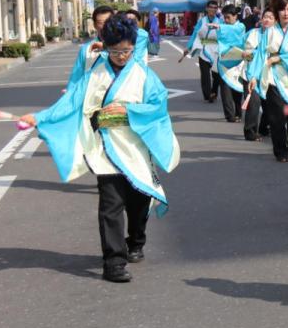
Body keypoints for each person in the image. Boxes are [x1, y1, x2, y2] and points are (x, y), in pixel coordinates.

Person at [19, 17, 179, 283]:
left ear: (133, 47)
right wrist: (39, 117)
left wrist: (129, 110)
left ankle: (136, 240)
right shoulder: (94, 74)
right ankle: (113, 262)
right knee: (110, 204)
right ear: (106, 47)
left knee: (139, 201)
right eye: (115, 51)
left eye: (126, 50)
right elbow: (71, 101)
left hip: (135, 147)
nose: (121, 56)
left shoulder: (144, 76)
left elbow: (158, 107)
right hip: (104, 147)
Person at [246, 0, 288, 162]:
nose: (286, 13)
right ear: (277, 12)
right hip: (272, 76)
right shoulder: (269, 32)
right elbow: (260, 55)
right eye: (282, 9)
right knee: (276, 117)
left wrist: (279, 58)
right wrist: (253, 76)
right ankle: (280, 151)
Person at [240, 9, 277, 142]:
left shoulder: (278, 35)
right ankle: (250, 131)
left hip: (269, 74)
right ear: (261, 19)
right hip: (250, 72)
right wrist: (245, 53)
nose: (267, 20)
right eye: (265, 17)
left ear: (275, 21)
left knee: (270, 105)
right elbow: (242, 48)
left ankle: (263, 128)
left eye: (271, 17)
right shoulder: (253, 33)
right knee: (253, 102)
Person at [182, 0, 221, 102]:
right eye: (211, 7)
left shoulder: (220, 22)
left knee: (217, 75)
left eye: (215, 7)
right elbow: (195, 34)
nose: (213, 9)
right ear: (207, 9)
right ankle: (208, 95)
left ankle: (214, 92)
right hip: (204, 50)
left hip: (216, 51)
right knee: (205, 75)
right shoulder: (202, 21)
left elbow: (224, 36)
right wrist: (188, 47)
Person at [214, 5, 248, 123]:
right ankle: (230, 115)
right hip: (224, 60)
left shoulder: (241, 26)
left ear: (235, 16)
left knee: (236, 88)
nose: (226, 20)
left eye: (228, 17)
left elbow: (234, 31)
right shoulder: (222, 25)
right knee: (225, 89)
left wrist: (220, 27)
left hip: (238, 61)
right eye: (224, 17)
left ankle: (238, 112)